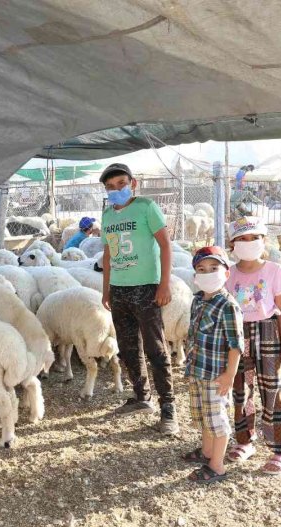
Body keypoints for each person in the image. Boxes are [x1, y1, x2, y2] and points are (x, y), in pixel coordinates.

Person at [99, 163, 178, 435]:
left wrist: (164, 284)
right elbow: (108, 255)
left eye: (121, 184)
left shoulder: (146, 207)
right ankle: (142, 396)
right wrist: (106, 289)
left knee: (155, 348)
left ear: (132, 184)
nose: (116, 190)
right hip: (119, 289)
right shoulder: (108, 215)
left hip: (146, 287)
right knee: (127, 346)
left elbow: (165, 244)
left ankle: (168, 408)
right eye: (110, 187)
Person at [224, 216, 281, 475]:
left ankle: (279, 449)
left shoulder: (274, 270)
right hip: (239, 334)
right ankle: (244, 440)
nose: (249, 242)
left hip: (268, 331)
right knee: (241, 388)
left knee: (272, 389)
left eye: (254, 237)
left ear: (264, 241)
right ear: (233, 244)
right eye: (242, 238)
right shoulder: (229, 274)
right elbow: (226, 309)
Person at [182, 246, 244, 483]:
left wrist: (229, 375)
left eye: (214, 268)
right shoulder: (197, 300)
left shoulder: (228, 305)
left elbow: (236, 345)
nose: (208, 273)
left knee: (217, 420)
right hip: (197, 371)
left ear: (226, 273)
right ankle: (207, 453)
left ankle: (217, 466)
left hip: (215, 375)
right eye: (201, 269)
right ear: (195, 275)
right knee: (204, 417)